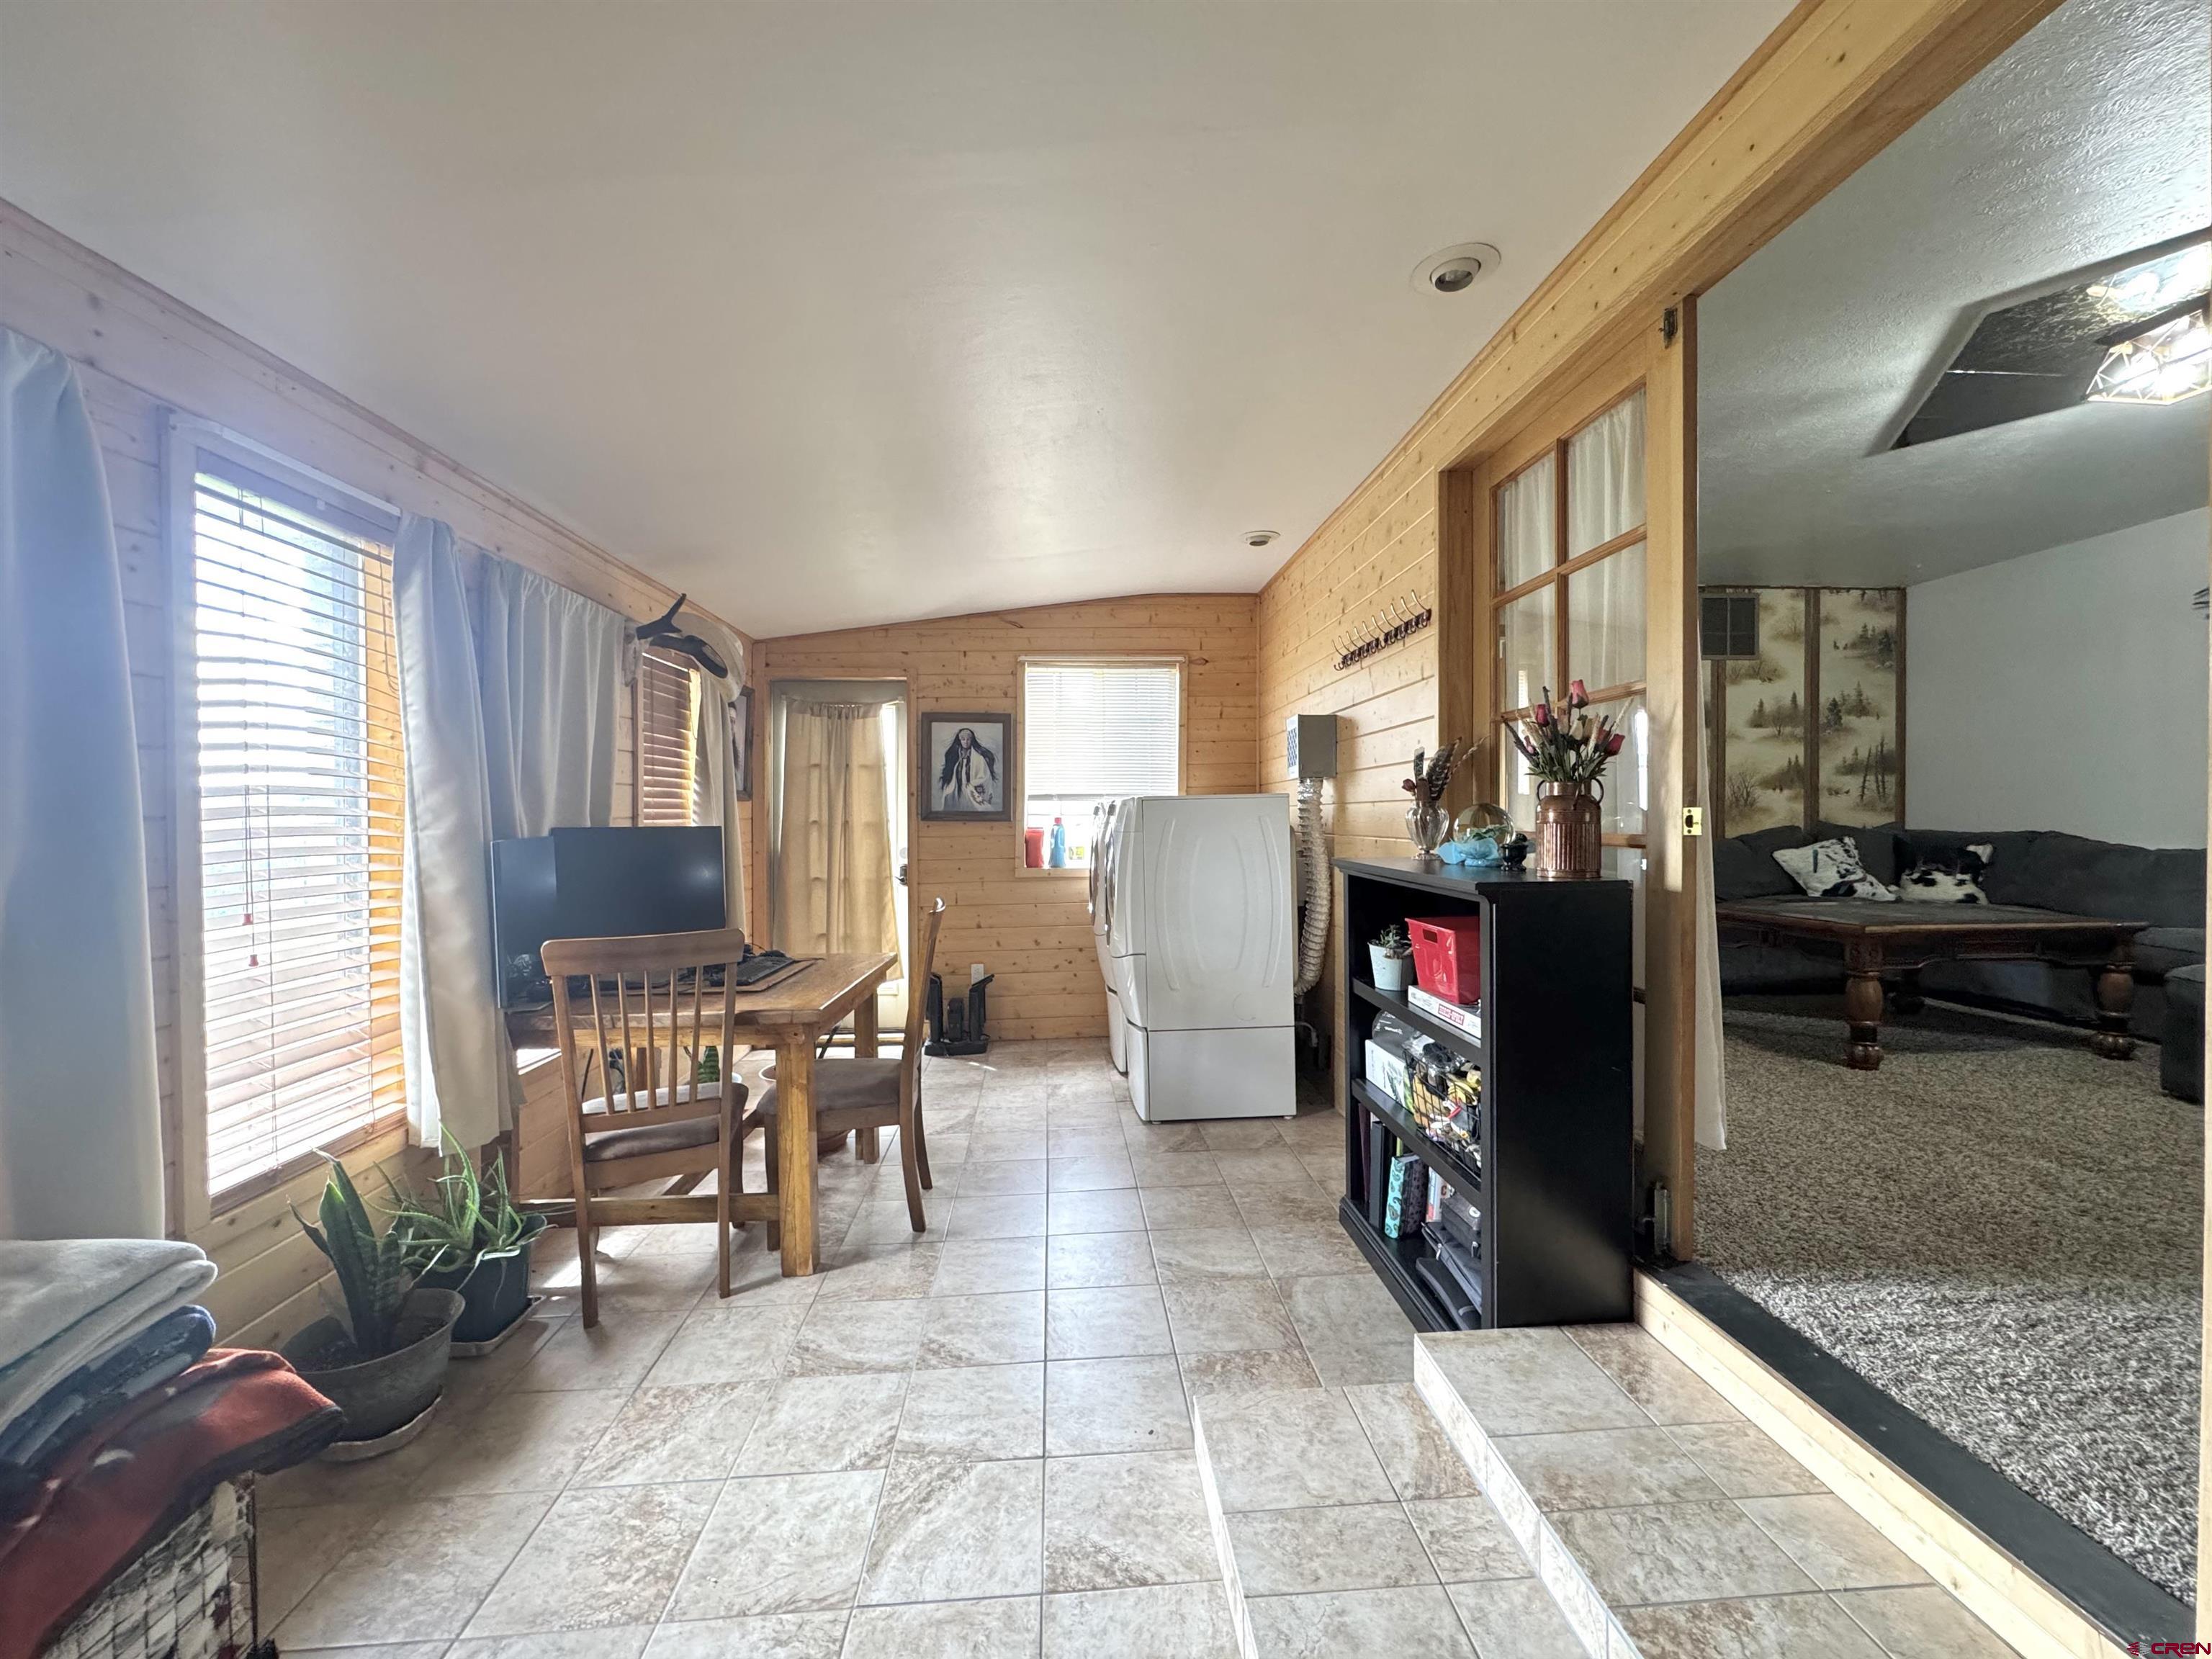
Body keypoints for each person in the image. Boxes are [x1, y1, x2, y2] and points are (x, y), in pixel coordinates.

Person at [938, 725, 999, 811]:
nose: (966, 742)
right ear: (960, 741)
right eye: (963, 739)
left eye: (968, 739)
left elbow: (985, 777)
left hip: (971, 792)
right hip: (957, 792)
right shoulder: (955, 758)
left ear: (972, 740)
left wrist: (971, 785)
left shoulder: (979, 759)